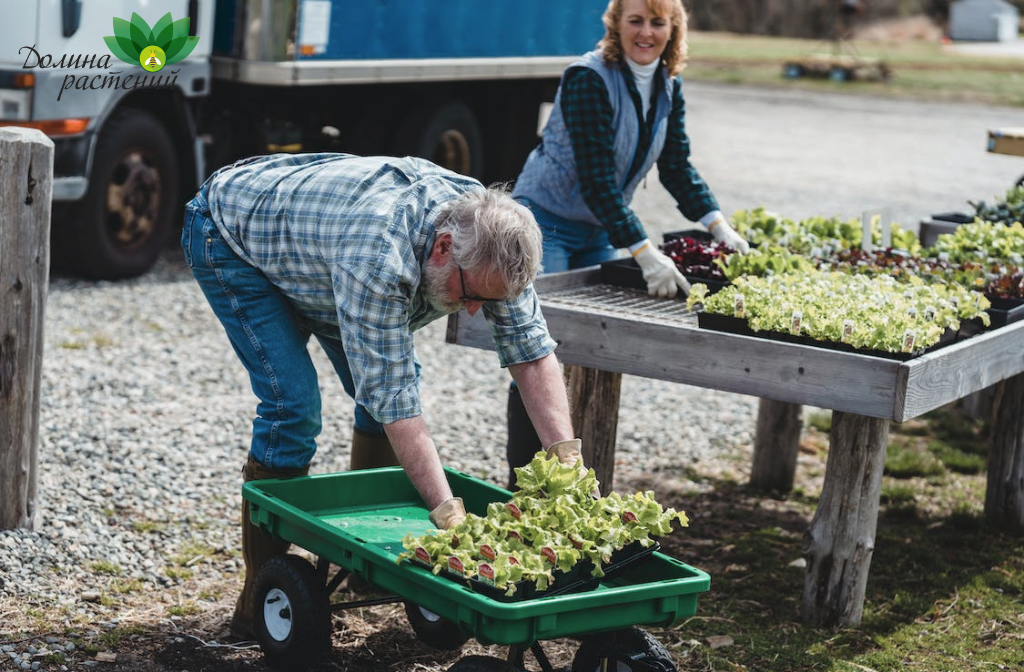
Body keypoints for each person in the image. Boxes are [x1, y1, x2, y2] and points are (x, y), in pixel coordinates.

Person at [181, 152, 586, 640]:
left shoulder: (493, 243)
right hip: (232, 236)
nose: (477, 310)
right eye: (470, 294)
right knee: (293, 405)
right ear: (442, 248)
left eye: (490, 300)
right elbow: (395, 401)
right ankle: (256, 604)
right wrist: (448, 516)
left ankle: (357, 564)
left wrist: (567, 461)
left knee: (386, 385)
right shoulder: (377, 257)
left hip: (317, 253)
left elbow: (532, 353)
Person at [504, 0, 750, 484]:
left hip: (599, 227)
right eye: (635, 19)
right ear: (615, 24)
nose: (646, 32)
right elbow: (597, 180)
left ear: (673, 28)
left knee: (595, 346)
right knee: (536, 352)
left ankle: (578, 483)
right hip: (547, 221)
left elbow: (676, 166)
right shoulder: (588, 78)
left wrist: (718, 223)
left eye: (658, 22)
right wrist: (643, 251)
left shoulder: (668, 85)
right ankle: (524, 484)